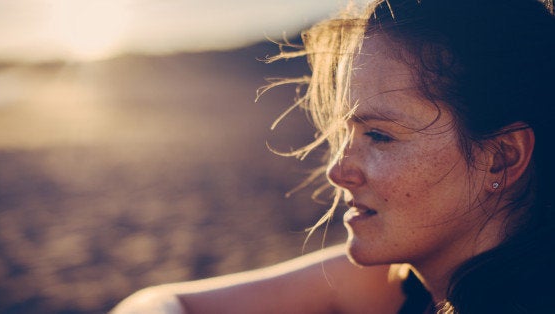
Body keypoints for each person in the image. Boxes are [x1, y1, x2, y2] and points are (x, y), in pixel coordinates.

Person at [112, 0, 555, 312]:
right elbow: (164, 302)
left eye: (380, 135)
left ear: (500, 157)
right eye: (348, 131)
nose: (337, 170)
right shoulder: (410, 283)